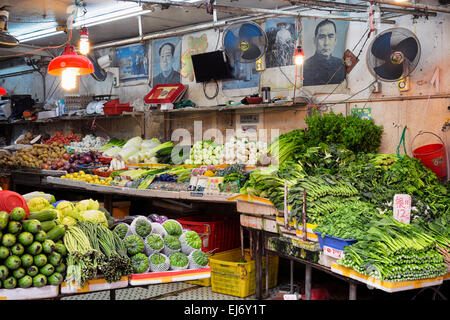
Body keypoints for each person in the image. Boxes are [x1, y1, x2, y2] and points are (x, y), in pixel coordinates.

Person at [303, 19, 346, 86]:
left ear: (335, 40)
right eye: (322, 37)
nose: (326, 43)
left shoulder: (342, 65)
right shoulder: (305, 67)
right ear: (315, 40)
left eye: (330, 36)